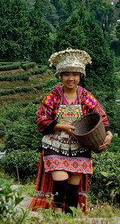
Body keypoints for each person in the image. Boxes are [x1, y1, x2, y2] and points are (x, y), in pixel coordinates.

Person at [28, 48, 113, 214]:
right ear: (60, 76)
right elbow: (41, 119)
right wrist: (62, 126)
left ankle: (70, 217)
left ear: (80, 76)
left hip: (79, 145)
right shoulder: (53, 96)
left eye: (75, 74)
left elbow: (101, 118)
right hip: (54, 144)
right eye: (67, 74)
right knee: (61, 182)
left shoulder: (87, 97)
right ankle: (57, 210)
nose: (71, 78)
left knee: (73, 187)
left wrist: (108, 135)